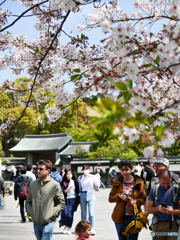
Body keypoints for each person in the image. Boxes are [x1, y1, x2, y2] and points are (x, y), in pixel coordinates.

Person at [26, 160, 65, 240]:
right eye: (38, 169)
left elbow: (61, 203)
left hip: (49, 221)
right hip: (36, 221)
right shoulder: (33, 184)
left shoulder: (55, 184)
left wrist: (53, 213)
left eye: (41, 169)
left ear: (48, 171)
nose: (38, 171)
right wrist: (31, 213)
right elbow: (28, 201)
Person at [109, 160, 146, 240]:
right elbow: (110, 198)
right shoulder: (116, 182)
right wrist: (119, 196)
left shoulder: (139, 182)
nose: (124, 172)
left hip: (134, 216)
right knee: (122, 238)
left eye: (127, 170)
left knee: (133, 238)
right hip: (120, 216)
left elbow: (143, 198)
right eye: (122, 170)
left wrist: (136, 201)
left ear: (131, 169)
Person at [147, 169, 180, 240]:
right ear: (159, 179)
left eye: (168, 183)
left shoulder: (177, 190)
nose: (165, 186)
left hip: (173, 225)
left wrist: (173, 211)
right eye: (163, 183)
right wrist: (157, 209)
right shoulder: (154, 190)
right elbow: (148, 209)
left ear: (171, 178)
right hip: (158, 226)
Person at [78, 165, 100, 236]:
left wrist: (94, 177)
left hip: (91, 195)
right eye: (84, 169)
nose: (86, 170)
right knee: (83, 213)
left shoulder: (92, 177)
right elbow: (79, 187)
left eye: (87, 169)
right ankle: (83, 228)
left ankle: (92, 228)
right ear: (82, 170)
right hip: (83, 194)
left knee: (91, 213)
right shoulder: (80, 177)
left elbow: (97, 184)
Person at [59, 169, 79, 234]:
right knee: (65, 213)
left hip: (73, 199)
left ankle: (69, 227)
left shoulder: (75, 182)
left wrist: (78, 201)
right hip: (66, 199)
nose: (69, 175)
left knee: (70, 214)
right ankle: (65, 226)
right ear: (66, 175)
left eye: (70, 173)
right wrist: (65, 191)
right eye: (68, 174)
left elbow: (78, 192)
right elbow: (60, 191)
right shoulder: (64, 182)